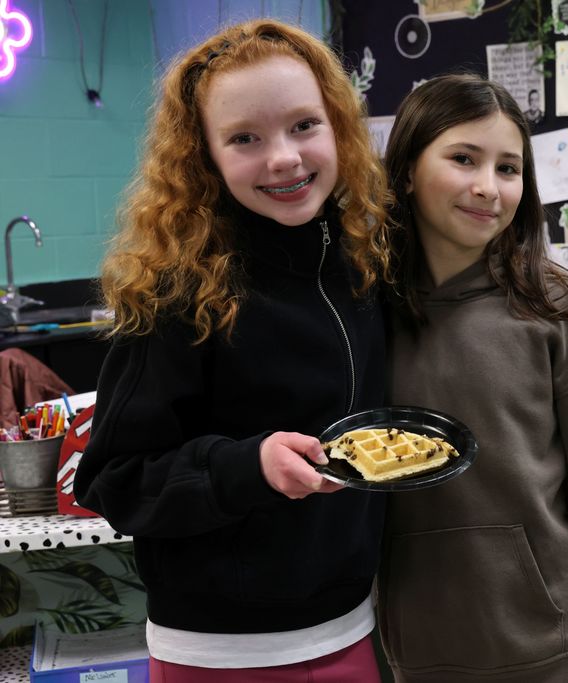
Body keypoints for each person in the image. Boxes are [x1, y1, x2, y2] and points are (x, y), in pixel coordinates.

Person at [73, 19, 392, 682]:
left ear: (338, 126)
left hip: (351, 627)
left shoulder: (360, 263)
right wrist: (250, 466)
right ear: (206, 157)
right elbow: (113, 477)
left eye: (304, 125)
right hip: (222, 653)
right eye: (244, 138)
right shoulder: (177, 291)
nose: (282, 157)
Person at [378, 73, 568, 682]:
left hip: (552, 654)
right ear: (405, 170)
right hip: (405, 656)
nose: (488, 187)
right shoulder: (361, 313)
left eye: (509, 168)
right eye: (462, 159)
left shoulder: (559, 308)